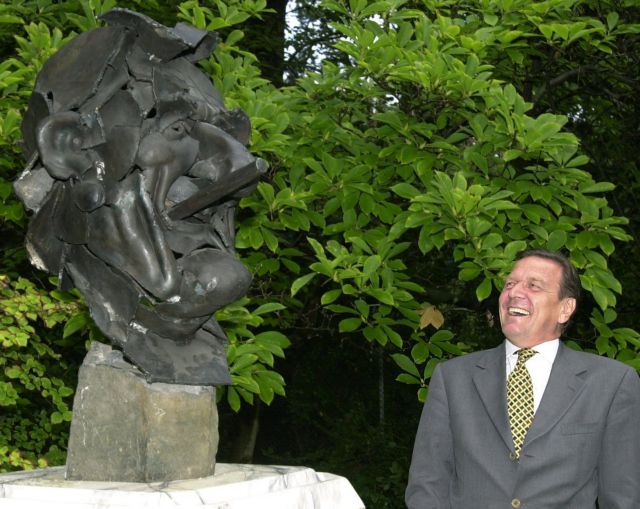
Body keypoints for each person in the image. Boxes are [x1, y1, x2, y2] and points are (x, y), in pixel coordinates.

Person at [405, 249, 640, 508]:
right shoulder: (452, 378)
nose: (514, 292)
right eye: (510, 284)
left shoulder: (611, 383)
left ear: (565, 309)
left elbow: (623, 497)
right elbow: (427, 485)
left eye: (533, 286)